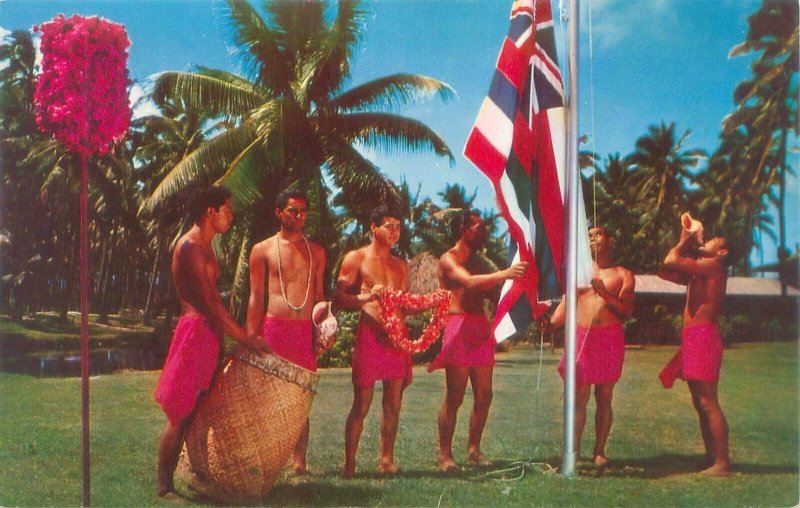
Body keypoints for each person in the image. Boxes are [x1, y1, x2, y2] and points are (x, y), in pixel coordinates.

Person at [154, 185, 268, 499]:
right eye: (227, 209)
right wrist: (246, 337)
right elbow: (211, 305)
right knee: (181, 415)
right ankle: (164, 486)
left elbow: (215, 306)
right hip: (195, 334)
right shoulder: (190, 246)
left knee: (198, 412)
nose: (231, 215)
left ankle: (196, 474)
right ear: (210, 212)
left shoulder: (205, 246)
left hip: (206, 335)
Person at [431, 210, 528, 472]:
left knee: (485, 395)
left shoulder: (479, 261)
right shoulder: (448, 259)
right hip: (458, 325)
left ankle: (474, 450)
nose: (483, 232)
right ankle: (445, 456)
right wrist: (506, 273)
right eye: (478, 227)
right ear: (463, 229)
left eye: (484, 228)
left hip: (479, 327)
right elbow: (470, 283)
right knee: (455, 395)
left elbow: (493, 292)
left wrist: (526, 304)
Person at [246, 189, 328, 476]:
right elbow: (256, 297)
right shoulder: (263, 249)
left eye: (303, 211)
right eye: (293, 210)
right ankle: (263, 460)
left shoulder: (316, 251)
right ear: (278, 212)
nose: (299, 216)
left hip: (304, 331)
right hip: (274, 329)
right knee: (267, 398)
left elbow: (319, 297)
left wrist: (324, 331)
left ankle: (299, 463)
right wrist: (250, 337)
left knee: (301, 398)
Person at [549, 226, 635, 467]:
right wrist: (551, 322)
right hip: (581, 336)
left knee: (604, 397)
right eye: (588, 236)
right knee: (579, 396)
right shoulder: (578, 272)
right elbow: (566, 304)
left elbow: (627, 310)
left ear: (610, 239)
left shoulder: (623, 274)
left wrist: (605, 294)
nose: (592, 239)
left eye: (597, 234)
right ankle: (573, 452)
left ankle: (599, 451)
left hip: (609, 338)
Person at [335, 205, 410, 478]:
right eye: (389, 226)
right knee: (362, 404)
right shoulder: (357, 258)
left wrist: (431, 304)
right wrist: (364, 299)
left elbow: (405, 304)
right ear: (373, 227)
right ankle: (350, 463)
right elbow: (339, 297)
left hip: (397, 340)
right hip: (370, 337)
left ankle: (387, 460)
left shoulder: (401, 264)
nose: (394, 232)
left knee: (393, 404)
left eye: (398, 227)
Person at [658, 222, 732, 476]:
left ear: (722, 252)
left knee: (708, 402)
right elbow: (666, 269)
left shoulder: (713, 266)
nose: (706, 241)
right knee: (699, 402)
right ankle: (712, 458)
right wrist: (686, 241)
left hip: (703, 336)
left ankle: (722, 463)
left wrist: (683, 241)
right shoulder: (700, 270)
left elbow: (671, 258)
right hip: (693, 337)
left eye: (712, 240)